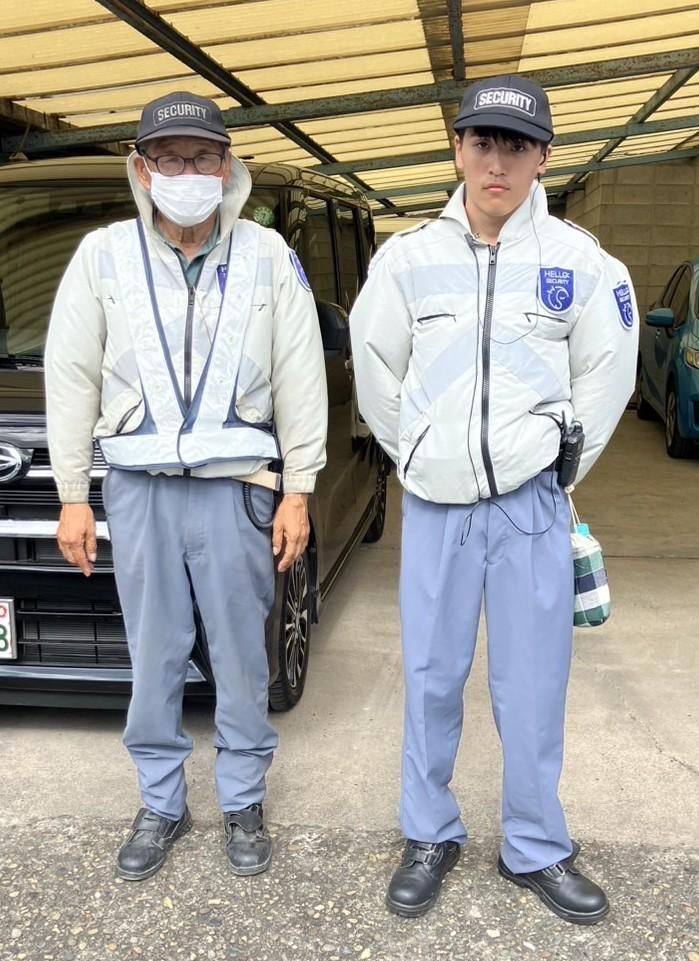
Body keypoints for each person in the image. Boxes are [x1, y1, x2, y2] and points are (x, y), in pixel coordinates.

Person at [350, 75, 638, 923]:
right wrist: (421, 457)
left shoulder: (580, 262)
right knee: (431, 677)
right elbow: (376, 372)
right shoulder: (406, 260)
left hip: (529, 508)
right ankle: (429, 833)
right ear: (457, 149)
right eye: (482, 142)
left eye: (516, 145)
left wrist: (557, 465)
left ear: (543, 156)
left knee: (532, 684)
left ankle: (535, 845)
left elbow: (607, 376)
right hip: (437, 507)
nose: (497, 162)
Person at [45, 92, 327, 881]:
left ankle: (243, 799)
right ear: (142, 169)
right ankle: (161, 802)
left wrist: (298, 487)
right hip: (140, 489)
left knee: (240, 654)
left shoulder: (267, 254)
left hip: (238, 489)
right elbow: (70, 375)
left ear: (226, 165)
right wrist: (73, 493)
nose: (187, 172)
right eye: (169, 158)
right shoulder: (102, 254)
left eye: (202, 156)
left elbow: (301, 371)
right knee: (154, 653)